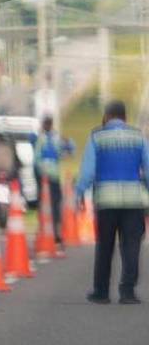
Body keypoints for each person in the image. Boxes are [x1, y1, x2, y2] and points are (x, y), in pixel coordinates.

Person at [74, 100, 149, 305]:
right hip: (134, 202)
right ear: (125, 117)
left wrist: (79, 193)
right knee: (131, 247)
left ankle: (101, 292)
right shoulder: (138, 137)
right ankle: (127, 292)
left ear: (106, 116)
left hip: (106, 202)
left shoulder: (97, 137)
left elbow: (88, 172)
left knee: (105, 246)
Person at [34, 113, 74, 247]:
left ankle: (54, 233)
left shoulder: (50, 138)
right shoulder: (45, 138)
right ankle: (48, 233)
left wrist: (68, 144)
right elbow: (37, 159)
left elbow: (69, 150)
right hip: (48, 177)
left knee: (52, 206)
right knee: (49, 206)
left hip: (51, 177)